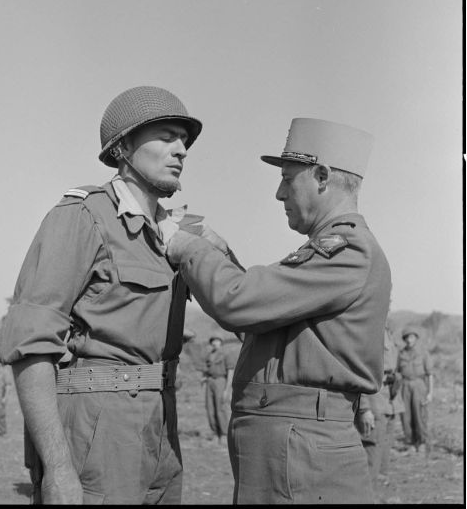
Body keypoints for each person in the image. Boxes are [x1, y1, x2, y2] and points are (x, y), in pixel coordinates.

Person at [0, 86, 205, 504]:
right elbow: (31, 347)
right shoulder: (82, 216)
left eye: (184, 140)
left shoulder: (172, 232)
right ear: (123, 147)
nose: (181, 149)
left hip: (160, 423)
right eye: (165, 136)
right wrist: (57, 469)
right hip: (97, 425)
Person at [167, 117, 391, 504]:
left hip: (303, 446)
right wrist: (219, 254)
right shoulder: (326, 251)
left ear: (322, 176)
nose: (278, 193)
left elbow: (239, 304)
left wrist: (187, 247)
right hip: (293, 441)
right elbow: (263, 322)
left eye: (288, 179)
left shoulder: (348, 251)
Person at [356, 325, 405, 485]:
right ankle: (369, 486)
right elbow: (361, 372)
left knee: (387, 438)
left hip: (390, 395)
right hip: (374, 395)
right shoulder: (370, 329)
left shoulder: (389, 332)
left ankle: (381, 477)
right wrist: (364, 408)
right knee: (373, 440)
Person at [397, 326, 433, 454]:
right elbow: (397, 372)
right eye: (407, 337)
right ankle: (411, 443)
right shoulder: (401, 353)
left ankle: (422, 442)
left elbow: (429, 374)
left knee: (420, 415)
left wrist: (430, 392)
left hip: (419, 385)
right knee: (406, 416)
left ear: (416, 338)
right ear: (404, 339)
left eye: (411, 337)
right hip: (405, 386)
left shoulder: (423, 353)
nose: (409, 340)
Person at [202, 336, 235, 445]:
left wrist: (227, 389)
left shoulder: (226, 354)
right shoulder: (209, 355)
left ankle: (224, 434)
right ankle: (215, 433)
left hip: (221, 381)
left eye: (217, 341)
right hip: (210, 381)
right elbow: (206, 369)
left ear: (221, 342)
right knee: (210, 408)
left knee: (220, 407)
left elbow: (230, 371)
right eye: (212, 341)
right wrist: (204, 378)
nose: (214, 343)